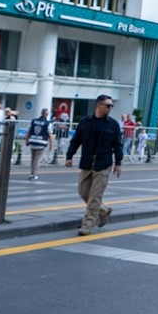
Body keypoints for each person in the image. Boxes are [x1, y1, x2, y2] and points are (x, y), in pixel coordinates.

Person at [65, 94, 123, 235]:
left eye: (111, 106)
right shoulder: (85, 122)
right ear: (98, 105)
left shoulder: (113, 124)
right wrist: (69, 156)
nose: (110, 108)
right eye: (108, 105)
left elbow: (117, 145)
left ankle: (87, 225)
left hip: (103, 164)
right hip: (86, 162)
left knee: (95, 196)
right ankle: (103, 210)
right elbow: (76, 140)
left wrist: (118, 163)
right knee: (83, 191)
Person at [24, 108, 54, 180]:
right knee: (37, 159)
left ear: (41, 113)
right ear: (47, 114)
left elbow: (28, 132)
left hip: (33, 141)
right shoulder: (47, 123)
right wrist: (51, 145)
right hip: (41, 143)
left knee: (33, 159)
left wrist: (26, 141)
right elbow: (50, 135)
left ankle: (32, 173)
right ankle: (33, 174)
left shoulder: (34, 121)